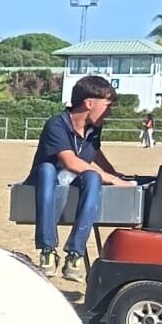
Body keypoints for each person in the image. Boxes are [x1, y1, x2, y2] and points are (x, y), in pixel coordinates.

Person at [27, 75, 135, 282]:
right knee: (48, 169)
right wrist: (112, 180)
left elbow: (94, 154)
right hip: (46, 184)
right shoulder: (56, 125)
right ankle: (47, 250)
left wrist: (116, 175)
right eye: (108, 105)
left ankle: (74, 255)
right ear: (89, 103)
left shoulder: (94, 129)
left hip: (73, 182)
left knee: (93, 178)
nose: (110, 112)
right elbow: (71, 162)